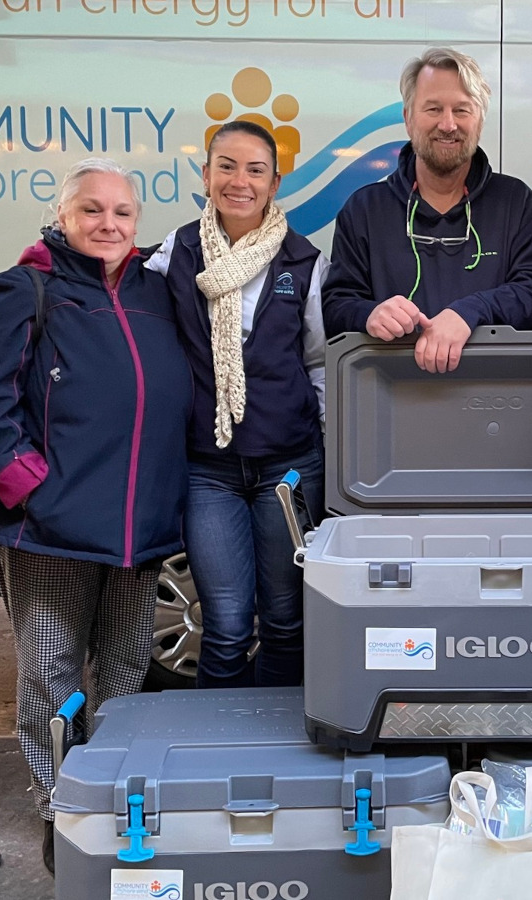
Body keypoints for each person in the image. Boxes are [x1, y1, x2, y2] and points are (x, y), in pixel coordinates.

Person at [0, 157, 193, 873]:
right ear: (64, 217)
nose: (108, 224)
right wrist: (25, 485)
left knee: (126, 665)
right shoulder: (24, 289)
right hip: (54, 527)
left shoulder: (158, 295)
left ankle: (115, 789)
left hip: (138, 526)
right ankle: (58, 801)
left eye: (122, 213)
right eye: (92, 210)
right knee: (50, 669)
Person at [145, 121, 326, 689]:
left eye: (255, 170)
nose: (239, 181)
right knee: (223, 622)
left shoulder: (304, 261)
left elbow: (318, 362)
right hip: (207, 469)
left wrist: (325, 441)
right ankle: (215, 747)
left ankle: (280, 744)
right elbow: (112, 298)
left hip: (288, 466)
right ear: (205, 175)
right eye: (226, 166)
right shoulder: (176, 252)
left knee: (285, 618)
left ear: (275, 182)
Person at [321, 46, 532, 371]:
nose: (448, 125)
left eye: (462, 110)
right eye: (433, 109)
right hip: (390, 398)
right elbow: (335, 305)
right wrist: (368, 314)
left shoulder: (515, 202)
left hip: (496, 397)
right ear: (408, 118)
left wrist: (471, 310)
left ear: (480, 120)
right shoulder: (364, 210)